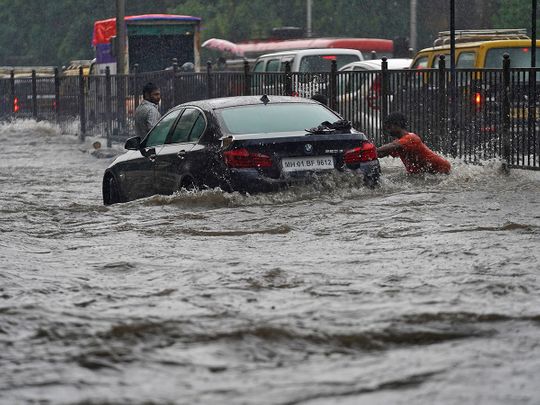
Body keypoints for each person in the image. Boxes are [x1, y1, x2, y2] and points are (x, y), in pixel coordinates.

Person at [377, 112, 451, 174]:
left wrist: (374, 149)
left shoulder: (410, 138)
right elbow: (381, 154)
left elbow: (393, 145)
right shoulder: (399, 143)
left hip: (441, 169)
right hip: (429, 171)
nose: (387, 130)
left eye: (389, 126)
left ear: (397, 125)